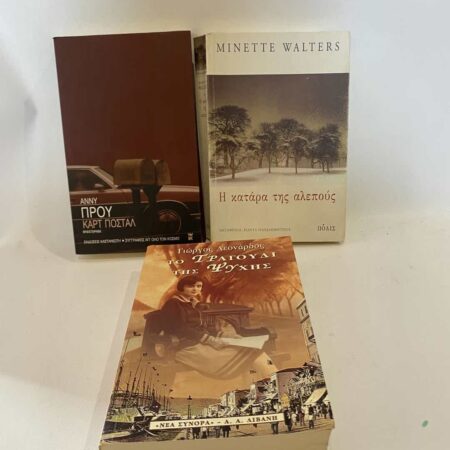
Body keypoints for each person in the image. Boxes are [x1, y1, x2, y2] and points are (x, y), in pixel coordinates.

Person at [158, 275, 271, 379]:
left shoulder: (193, 304)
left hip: (201, 342)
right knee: (251, 356)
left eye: (198, 286)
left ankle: (264, 386)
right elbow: (178, 328)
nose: (195, 289)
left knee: (253, 353)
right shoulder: (173, 304)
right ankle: (272, 383)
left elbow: (203, 326)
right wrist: (209, 340)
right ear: (182, 287)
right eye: (190, 286)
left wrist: (225, 335)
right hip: (185, 346)